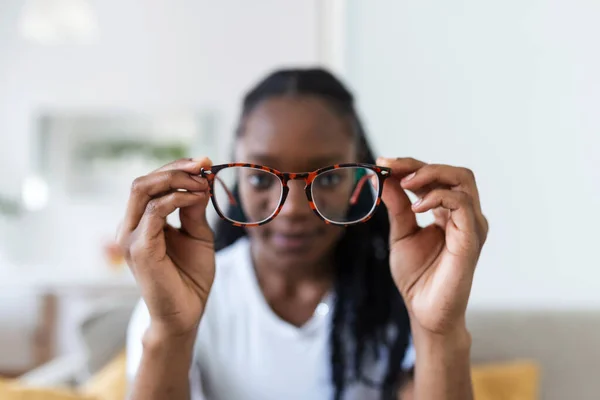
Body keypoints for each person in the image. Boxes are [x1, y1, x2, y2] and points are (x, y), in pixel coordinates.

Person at [122, 68, 488, 400]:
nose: (294, 208)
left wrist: (439, 331)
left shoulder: (400, 292)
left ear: (359, 180)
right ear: (234, 179)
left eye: (328, 178)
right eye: (260, 178)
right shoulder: (180, 296)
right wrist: (171, 331)